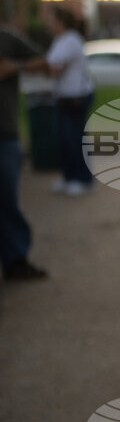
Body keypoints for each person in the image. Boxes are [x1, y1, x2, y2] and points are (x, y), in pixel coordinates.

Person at [0, 27, 49, 280]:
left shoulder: (7, 39)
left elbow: (46, 63)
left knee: (7, 202)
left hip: (4, 135)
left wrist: (15, 66)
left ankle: (16, 261)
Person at [44, 7, 94, 196]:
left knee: (75, 139)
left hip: (76, 98)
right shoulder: (59, 40)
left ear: (60, 21)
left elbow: (56, 68)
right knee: (62, 138)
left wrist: (34, 67)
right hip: (63, 97)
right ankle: (69, 177)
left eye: (51, 20)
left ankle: (84, 179)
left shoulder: (71, 40)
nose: (48, 24)